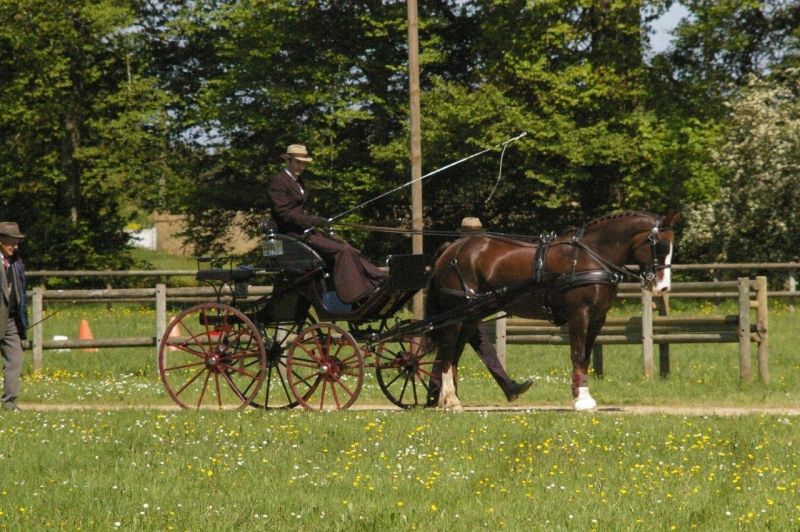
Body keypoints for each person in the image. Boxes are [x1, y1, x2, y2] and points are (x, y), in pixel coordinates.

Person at [426, 217, 533, 407]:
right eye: (472, 232)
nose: (476, 235)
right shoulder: (455, 251)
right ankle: (434, 396)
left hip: (473, 311)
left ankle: (508, 387)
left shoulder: (478, 251)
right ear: (463, 232)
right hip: (460, 309)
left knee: (482, 350)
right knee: (449, 348)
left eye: (478, 232)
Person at [266, 144, 388, 304]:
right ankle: (356, 296)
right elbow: (284, 214)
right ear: (288, 161)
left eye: (304, 163)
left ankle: (380, 279)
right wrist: (313, 220)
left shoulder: (298, 181)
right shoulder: (278, 182)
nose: (302, 166)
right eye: (298, 163)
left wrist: (315, 221)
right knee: (341, 250)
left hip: (306, 231)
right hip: (292, 236)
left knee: (348, 248)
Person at [0, 222, 28, 412]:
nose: (15, 246)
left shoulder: (17, 262)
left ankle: (9, 403)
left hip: (10, 320)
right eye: (12, 241)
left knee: (15, 359)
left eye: (17, 242)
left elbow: (21, 293)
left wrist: (21, 321)